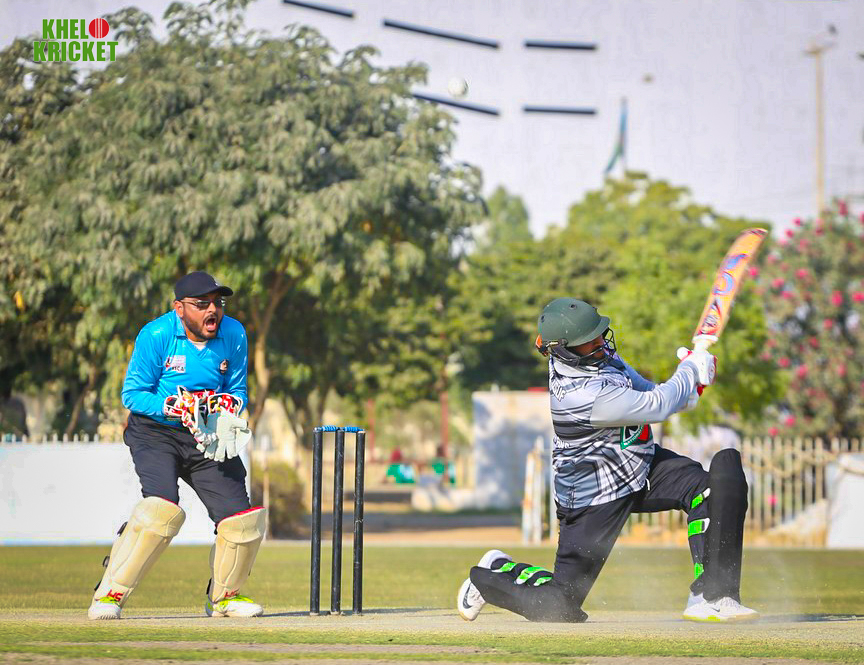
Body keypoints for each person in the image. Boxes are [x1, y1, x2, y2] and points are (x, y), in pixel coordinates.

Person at [457, 298, 758, 623]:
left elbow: (651, 394)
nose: (601, 342)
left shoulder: (601, 357)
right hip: (594, 497)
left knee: (709, 488)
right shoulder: (582, 395)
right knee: (559, 606)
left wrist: (692, 387)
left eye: (599, 334)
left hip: (639, 465)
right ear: (564, 351)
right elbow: (657, 405)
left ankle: (712, 596)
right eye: (590, 340)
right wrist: (689, 370)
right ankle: (491, 574)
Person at [88, 271, 266, 620]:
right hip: (155, 432)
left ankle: (225, 597)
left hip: (206, 435)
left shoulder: (234, 333)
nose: (212, 310)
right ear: (180, 308)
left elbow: (238, 390)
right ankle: (110, 593)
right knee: (161, 509)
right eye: (202, 304)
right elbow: (132, 394)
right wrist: (171, 406)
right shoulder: (156, 334)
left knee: (242, 521)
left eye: (217, 302)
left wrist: (229, 404)